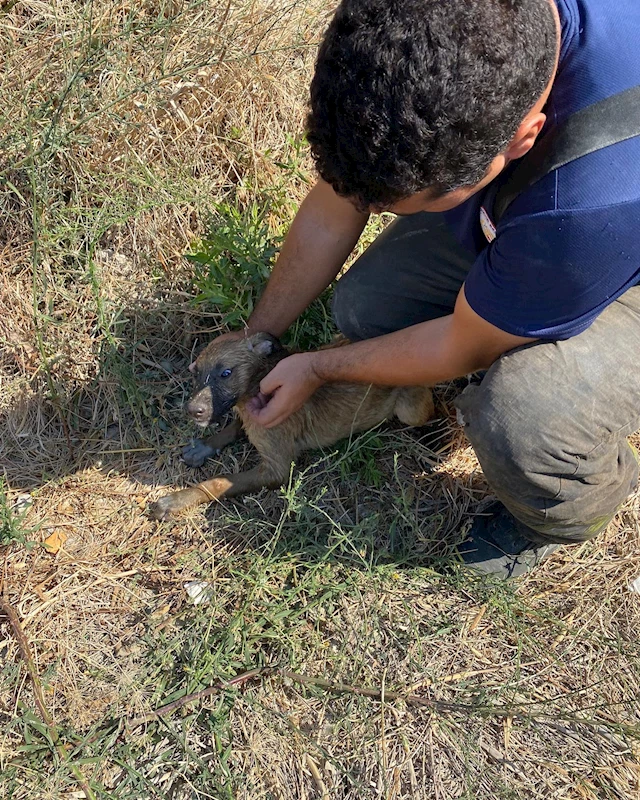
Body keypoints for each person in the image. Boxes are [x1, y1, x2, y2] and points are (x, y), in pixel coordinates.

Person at [220, 0, 640, 577]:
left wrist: (320, 368)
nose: (368, 212)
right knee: (369, 308)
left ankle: (562, 511)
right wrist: (255, 340)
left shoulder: (589, 205)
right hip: (551, 210)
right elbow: (332, 206)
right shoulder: (434, 24)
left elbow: (460, 346)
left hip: (614, 240)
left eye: (386, 208)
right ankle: (509, 281)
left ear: (522, 139)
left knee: (522, 417)